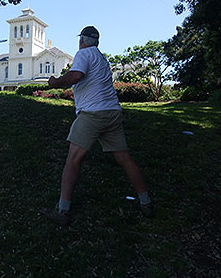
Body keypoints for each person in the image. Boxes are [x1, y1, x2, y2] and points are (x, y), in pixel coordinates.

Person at [45, 26, 154, 226]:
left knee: (73, 160)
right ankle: (146, 202)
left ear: (82, 41)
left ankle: (62, 210)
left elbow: (76, 76)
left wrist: (56, 82)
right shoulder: (102, 59)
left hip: (93, 114)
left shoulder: (83, 53)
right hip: (113, 112)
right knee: (124, 159)